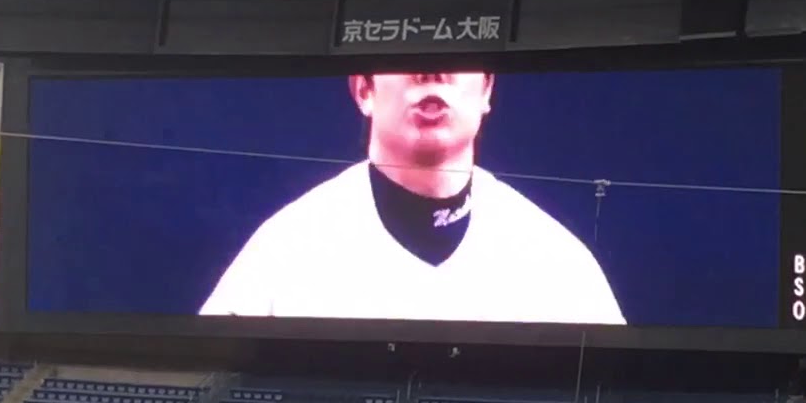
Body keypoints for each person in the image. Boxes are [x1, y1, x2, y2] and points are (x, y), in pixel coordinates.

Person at [200, 72, 625, 324]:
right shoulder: (287, 249)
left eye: (457, 53)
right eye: (409, 53)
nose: (432, 72)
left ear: (486, 90)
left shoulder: (557, 262)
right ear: (363, 90)